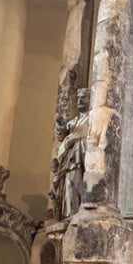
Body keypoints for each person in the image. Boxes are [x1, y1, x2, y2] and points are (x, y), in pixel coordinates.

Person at [53, 88, 90, 218]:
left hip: (81, 158)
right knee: (69, 185)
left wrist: (75, 138)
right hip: (69, 160)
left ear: (90, 100)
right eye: (78, 98)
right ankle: (70, 214)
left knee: (77, 183)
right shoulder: (74, 121)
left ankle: (81, 210)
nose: (79, 100)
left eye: (83, 97)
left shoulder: (91, 118)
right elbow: (61, 134)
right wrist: (59, 125)